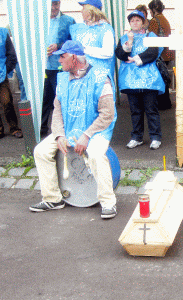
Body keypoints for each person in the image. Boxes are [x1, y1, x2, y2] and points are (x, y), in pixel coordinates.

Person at [29, 41, 118, 219]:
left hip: (95, 131)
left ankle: (108, 202)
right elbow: (57, 112)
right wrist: (59, 135)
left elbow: (107, 114)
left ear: (74, 58)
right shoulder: (62, 79)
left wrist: (86, 136)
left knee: (96, 154)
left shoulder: (101, 78)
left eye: (62, 57)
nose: (59, 61)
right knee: (41, 151)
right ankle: (53, 198)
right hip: (69, 129)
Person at [115, 10, 164, 150]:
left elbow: (153, 52)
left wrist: (136, 58)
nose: (135, 23)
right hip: (131, 80)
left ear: (143, 22)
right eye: (132, 20)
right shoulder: (124, 37)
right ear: (129, 23)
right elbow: (119, 54)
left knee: (151, 109)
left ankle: (155, 137)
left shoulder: (151, 35)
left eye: (137, 20)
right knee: (135, 110)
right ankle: (137, 137)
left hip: (149, 79)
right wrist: (129, 43)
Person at [40, 0, 75, 138]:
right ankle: (41, 130)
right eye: (51, 4)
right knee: (43, 100)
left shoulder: (68, 20)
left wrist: (59, 46)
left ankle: (63, 129)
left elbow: (73, 42)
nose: (54, 7)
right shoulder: (39, 21)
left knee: (60, 98)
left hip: (60, 67)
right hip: (43, 67)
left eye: (56, 4)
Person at [70, 0, 115, 80]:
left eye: (83, 8)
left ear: (91, 11)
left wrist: (84, 49)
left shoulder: (105, 28)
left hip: (100, 78)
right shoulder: (82, 28)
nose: (81, 11)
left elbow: (108, 52)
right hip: (84, 77)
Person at [148, 0, 174, 110]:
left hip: (161, 54)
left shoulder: (155, 21)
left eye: (150, 10)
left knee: (160, 79)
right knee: (164, 78)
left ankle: (163, 103)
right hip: (167, 53)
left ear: (153, 9)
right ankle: (166, 103)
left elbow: (151, 38)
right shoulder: (164, 19)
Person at [0, 27, 23, 139]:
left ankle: (14, 128)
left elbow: (11, 54)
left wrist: (6, 70)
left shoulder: (3, 33)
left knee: (7, 102)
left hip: (1, 75)